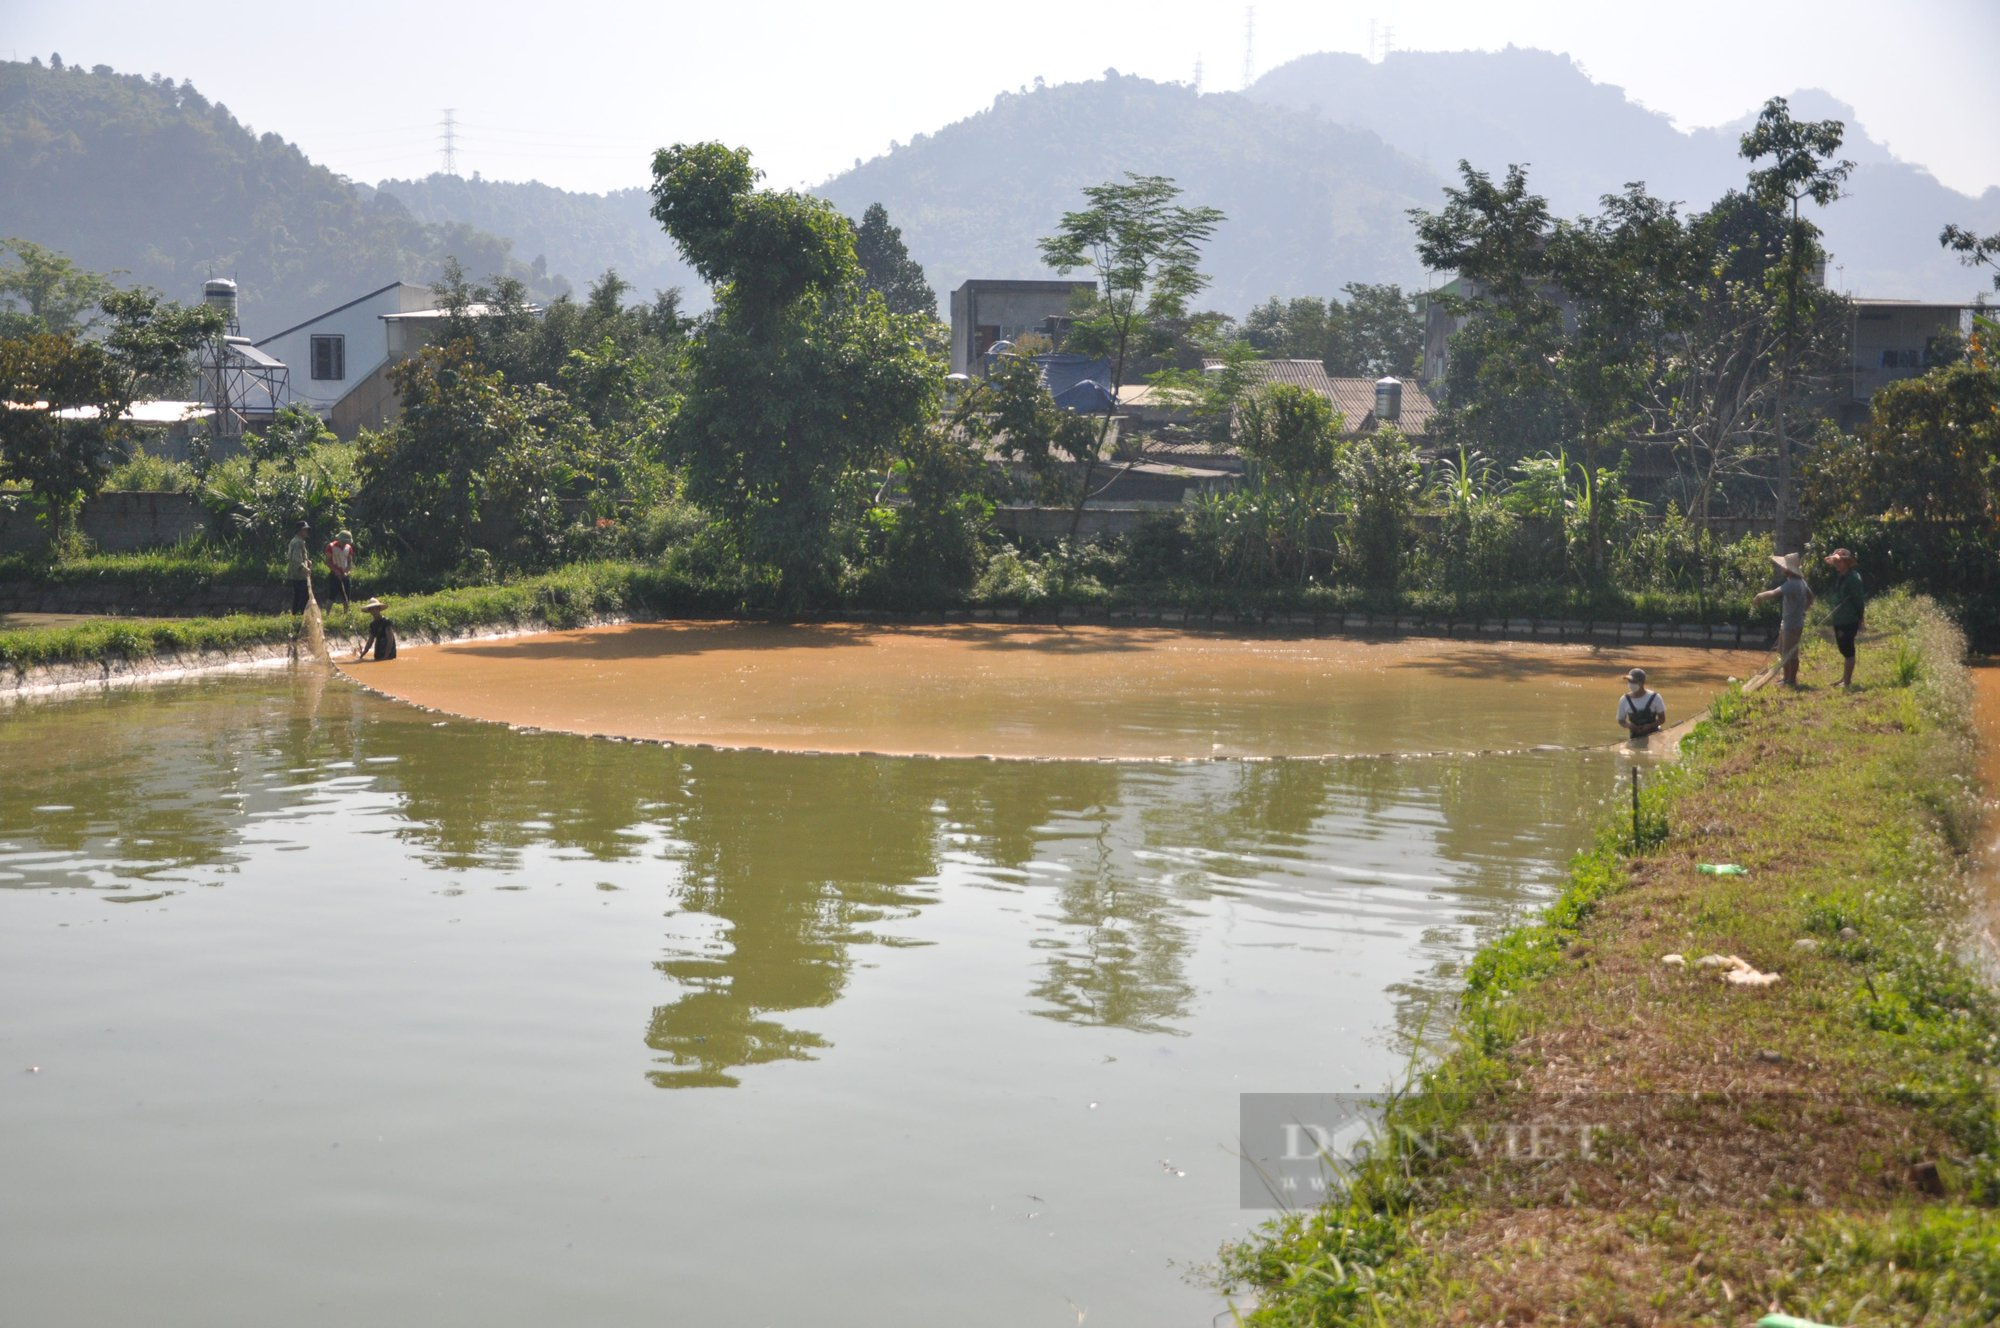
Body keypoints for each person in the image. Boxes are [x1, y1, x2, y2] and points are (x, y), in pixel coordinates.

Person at [1753, 551, 1814, 687]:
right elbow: (1811, 597)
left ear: (1788, 569)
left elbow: (1775, 593)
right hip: (1790, 622)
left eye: (1783, 566)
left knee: (1791, 654)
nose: (1781, 568)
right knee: (1784, 652)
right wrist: (1803, 610)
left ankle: (1791, 681)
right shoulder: (1801, 582)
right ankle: (1786, 679)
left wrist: (1759, 596)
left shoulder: (1792, 584)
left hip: (1792, 624)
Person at [1823, 547, 1866, 690]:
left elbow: (1859, 600)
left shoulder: (1854, 578)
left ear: (1847, 563)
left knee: (1848, 650)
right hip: (1839, 618)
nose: (1837, 565)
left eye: (1839, 562)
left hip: (1849, 618)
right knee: (1844, 649)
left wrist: (1861, 618)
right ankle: (1844, 678)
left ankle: (1847, 682)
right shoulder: (1841, 576)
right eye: (1836, 562)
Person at [1617, 667, 1665, 738]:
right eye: (1629, 681)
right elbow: (1621, 720)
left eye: (1633, 681)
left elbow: (1662, 719)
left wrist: (1650, 726)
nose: (1630, 684)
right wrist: (1629, 726)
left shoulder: (1655, 697)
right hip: (1635, 736)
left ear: (1642, 682)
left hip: (1654, 735)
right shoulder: (1624, 699)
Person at [285, 520, 314, 615]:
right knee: (303, 596)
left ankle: (296, 614)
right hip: (299, 574)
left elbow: (301, 557)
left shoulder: (298, 541)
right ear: (300, 531)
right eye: (305, 530)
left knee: (298, 595)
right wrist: (306, 569)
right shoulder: (298, 542)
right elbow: (297, 559)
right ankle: (301, 614)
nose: (306, 532)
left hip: (296, 573)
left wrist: (308, 561)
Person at [323, 529, 356, 610]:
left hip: (345, 575)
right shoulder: (330, 546)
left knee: (346, 597)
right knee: (332, 596)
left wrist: (346, 572)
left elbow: (349, 562)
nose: (345, 543)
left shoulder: (348, 548)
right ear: (339, 539)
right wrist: (336, 571)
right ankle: (327, 614)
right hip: (334, 575)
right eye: (343, 541)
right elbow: (328, 561)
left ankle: (346, 614)